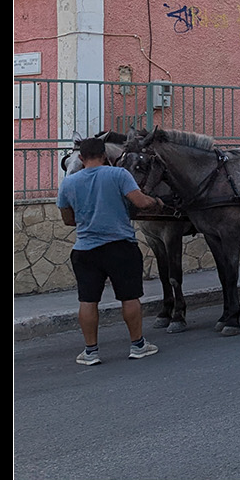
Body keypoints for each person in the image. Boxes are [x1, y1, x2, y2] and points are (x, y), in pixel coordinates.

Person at [56, 137, 163, 365]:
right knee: (130, 297)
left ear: (81, 158)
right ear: (104, 156)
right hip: (121, 247)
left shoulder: (68, 183)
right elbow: (141, 202)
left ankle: (91, 352)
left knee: (88, 300)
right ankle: (138, 346)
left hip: (85, 250)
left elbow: (67, 219)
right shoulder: (119, 175)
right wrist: (156, 202)